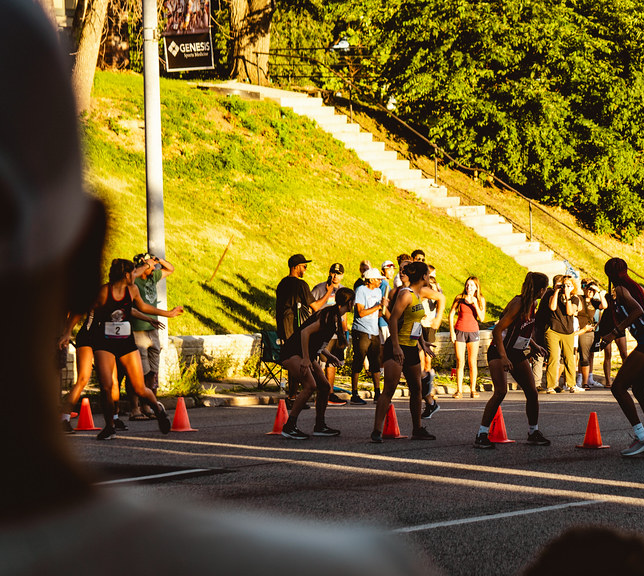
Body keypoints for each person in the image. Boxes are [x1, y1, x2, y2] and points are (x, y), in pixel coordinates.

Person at [2, 3, 426, 571]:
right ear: (87, 259)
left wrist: (166, 315)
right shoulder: (348, 567)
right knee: (102, 383)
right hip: (123, 341)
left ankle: (141, 413)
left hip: (131, 341)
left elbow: (150, 310)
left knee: (125, 383)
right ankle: (129, 417)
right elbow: (304, 336)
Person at [86, 259, 185, 439]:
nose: (135, 276)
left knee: (140, 387)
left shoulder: (132, 290)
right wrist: (83, 336)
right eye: (132, 273)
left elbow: (142, 306)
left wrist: (167, 314)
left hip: (126, 342)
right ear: (125, 275)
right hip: (105, 342)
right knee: (107, 387)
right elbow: (89, 312)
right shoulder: (103, 292)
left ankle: (158, 409)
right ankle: (109, 426)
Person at [597, 258, 644, 457]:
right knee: (639, 389)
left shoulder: (622, 289)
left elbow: (637, 310)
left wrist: (614, 333)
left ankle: (642, 437)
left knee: (618, 387)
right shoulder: (633, 286)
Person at [475, 272, 551, 448]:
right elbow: (498, 330)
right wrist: (503, 356)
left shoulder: (533, 304)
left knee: (532, 391)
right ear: (541, 290)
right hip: (499, 350)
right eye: (545, 288)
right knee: (500, 392)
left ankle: (533, 432)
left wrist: (533, 345)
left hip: (516, 352)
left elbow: (521, 330)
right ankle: (481, 434)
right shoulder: (519, 303)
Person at [371, 261, 445, 442]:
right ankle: (377, 431)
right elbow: (394, 319)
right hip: (397, 346)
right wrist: (396, 346)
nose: (429, 277)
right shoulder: (406, 295)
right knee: (389, 389)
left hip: (412, 347)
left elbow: (415, 323)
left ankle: (417, 428)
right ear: (422, 276)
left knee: (417, 389)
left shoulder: (419, 295)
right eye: (427, 274)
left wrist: (422, 342)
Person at [279, 292, 355, 439]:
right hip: (293, 352)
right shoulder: (328, 316)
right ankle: (289, 426)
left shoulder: (334, 316)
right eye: (353, 301)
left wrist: (329, 355)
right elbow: (305, 333)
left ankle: (320, 426)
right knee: (310, 386)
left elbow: (317, 340)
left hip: (305, 353)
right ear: (349, 302)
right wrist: (306, 358)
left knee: (325, 386)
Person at [277, 254, 334, 404]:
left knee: (291, 360)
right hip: (295, 327)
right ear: (295, 267)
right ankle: (294, 397)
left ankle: (292, 395)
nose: (306, 269)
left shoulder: (282, 283)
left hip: (283, 326)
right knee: (299, 359)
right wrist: (329, 291)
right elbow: (315, 306)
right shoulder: (301, 285)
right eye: (304, 266)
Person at [126, 252, 175, 419]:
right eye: (152, 266)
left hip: (153, 329)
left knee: (152, 371)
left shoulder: (153, 278)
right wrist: (146, 264)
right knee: (138, 371)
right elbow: (133, 274)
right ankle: (135, 409)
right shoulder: (134, 281)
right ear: (142, 265)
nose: (155, 268)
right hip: (138, 329)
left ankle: (147, 406)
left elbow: (171, 269)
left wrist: (157, 260)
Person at [310, 263, 348, 403]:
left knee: (333, 363)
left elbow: (345, 314)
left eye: (338, 273)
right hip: (321, 331)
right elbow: (312, 307)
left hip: (336, 333)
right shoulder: (320, 288)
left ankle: (330, 392)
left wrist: (345, 331)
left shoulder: (343, 291)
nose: (335, 276)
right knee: (321, 363)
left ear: (342, 275)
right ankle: (320, 392)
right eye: (333, 272)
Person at [351, 268, 385, 402]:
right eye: (378, 279)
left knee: (375, 362)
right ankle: (354, 393)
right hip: (361, 330)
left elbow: (378, 312)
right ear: (370, 280)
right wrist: (377, 307)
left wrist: (382, 309)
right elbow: (360, 312)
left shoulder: (378, 291)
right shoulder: (361, 290)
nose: (380, 282)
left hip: (374, 330)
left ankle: (377, 392)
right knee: (359, 360)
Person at [449, 276, 485, 398]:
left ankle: (473, 389)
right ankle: (459, 390)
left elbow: (482, 318)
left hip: (473, 332)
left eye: (471, 285)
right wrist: (452, 332)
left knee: (472, 362)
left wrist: (475, 303)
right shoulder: (459, 298)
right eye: (467, 285)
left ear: (476, 287)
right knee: (460, 361)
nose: (468, 287)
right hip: (460, 331)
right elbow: (451, 314)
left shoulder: (480, 299)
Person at [546, 276, 582, 393]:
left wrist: (567, 296)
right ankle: (551, 385)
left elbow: (570, 311)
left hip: (568, 331)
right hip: (553, 330)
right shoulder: (553, 296)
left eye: (568, 285)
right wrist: (557, 290)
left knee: (569, 358)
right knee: (553, 357)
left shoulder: (575, 299)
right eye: (564, 285)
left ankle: (571, 384)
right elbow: (552, 307)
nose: (565, 287)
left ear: (573, 287)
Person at [420, 266, 443, 418]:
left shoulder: (424, 292)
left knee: (425, 361)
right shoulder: (404, 291)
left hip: (427, 327)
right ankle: (430, 401)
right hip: (416, 329)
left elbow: (441, 297)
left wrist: (438, 318)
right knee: (416, 372)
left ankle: (426, 376)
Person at [576, 280, 602, 390]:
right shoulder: (579, 298)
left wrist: (598, 291)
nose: (590, 291)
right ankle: (574, 380)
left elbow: (604, 306)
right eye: (588, 288)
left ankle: (585, 381)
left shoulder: (595, 302)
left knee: (585, 356)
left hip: (587, 332)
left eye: (592, 289)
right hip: (577, 329)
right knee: (573, 356)